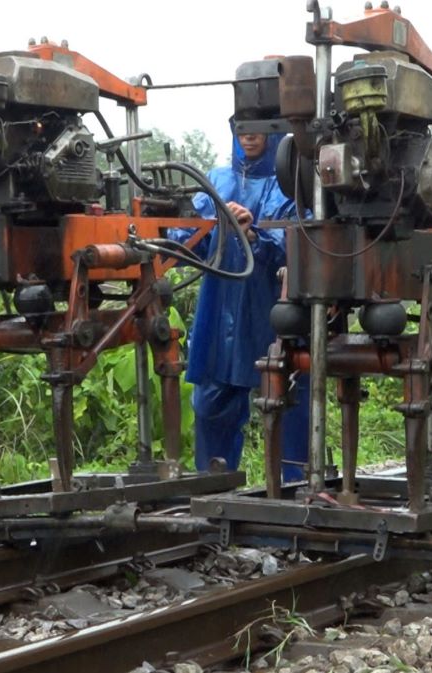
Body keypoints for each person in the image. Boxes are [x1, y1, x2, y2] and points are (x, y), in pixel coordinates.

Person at [169, 126, 310, 481]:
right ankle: (214, 485)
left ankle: (293, 491)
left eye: (256, 130)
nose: (249, 137)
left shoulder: (291, 183)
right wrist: (194, 230)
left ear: (273, 131)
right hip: (219, 310)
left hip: (274, 310)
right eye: (241, 129)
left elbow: (300, 242)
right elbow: (189, 240)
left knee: (287, 399)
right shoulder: (216, 180)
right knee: (211, 404)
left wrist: (254, 235)